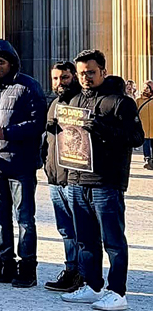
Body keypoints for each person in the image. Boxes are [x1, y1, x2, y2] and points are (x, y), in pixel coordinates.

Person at [59, 49, 144, 310]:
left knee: (113, 240)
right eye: (81, 73)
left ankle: (117, 291)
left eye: (91, 72)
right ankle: (92, 285)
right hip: (77, 178)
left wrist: (101, 128)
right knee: (85, 239)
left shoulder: (120, 102)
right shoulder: (74, 100)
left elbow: (136, 138)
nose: (85, 77)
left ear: (103, 72)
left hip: (106, 181)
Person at [0, 39, 46, 288]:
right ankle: (5, 264)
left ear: (11, 62)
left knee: (24, 219)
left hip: (21, 164)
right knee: (0, 219)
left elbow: (38, 123)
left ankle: (27, 268)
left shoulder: (28, 86)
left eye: (0, 62)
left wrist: (7, 133)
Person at [42, 61, 84, 293]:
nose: (60, 83)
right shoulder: (54, 104)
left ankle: (84, 274)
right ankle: (71, 270)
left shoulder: (82, 103)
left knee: (83, 231)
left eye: (65, 77)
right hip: (55, 177)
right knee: (66, 230)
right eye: (56, 78)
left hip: (76, 178)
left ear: (74, 77)